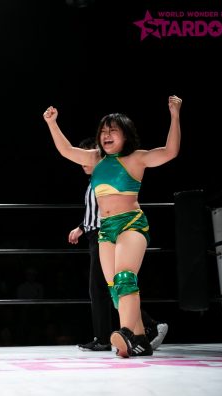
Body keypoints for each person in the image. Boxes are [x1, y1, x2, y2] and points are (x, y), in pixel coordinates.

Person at [44, 95, 182, 357]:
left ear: (126, 135)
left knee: (125, 278)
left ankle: (127, 333)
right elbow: (66, 150)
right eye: (103, 131)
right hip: (105, 228)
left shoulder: (137, 158)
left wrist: (174, 115)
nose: (106, 135)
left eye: (113, 131)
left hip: (131, 224)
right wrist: (52, 123)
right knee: (115, 291)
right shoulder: (95, 159)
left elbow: (170, 151)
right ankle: (140, 340)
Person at [69, 137, 168, 352]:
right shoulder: (94, 181)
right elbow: (97, 210)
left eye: (87, 155)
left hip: (108, 232)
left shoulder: (107, 176)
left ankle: (132, 331)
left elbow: (112, 208)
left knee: (110, 285)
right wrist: (82, 227)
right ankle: (141, 331)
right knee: (108, 288)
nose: (83, 162)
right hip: (97, 233)